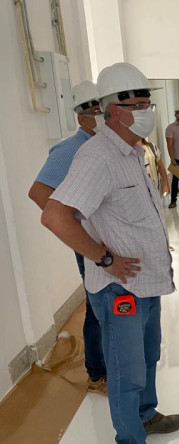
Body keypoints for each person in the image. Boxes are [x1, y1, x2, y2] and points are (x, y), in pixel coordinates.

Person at [41, 62, 179, 444]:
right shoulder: (98, 156)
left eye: (147, 103)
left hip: (146, 281)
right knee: (126, 368)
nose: (147, 111)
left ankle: (146, 415)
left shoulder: (133, 151)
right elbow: (55, 215)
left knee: (149, 355)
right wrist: (103, 258)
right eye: (137, 104)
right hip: (119, 288)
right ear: (113, 111)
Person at [28, 80, 107, 396]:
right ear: (81, 117)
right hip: (91, 244)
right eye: (96, 110)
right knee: (97, 306)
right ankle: (97, 374)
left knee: (110, 303)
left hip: (108, 240)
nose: (102, 116)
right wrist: (76, 228)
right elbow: (39, 192)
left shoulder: (104, 147)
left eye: (104, 109)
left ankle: (110, 365)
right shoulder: (70, 150)